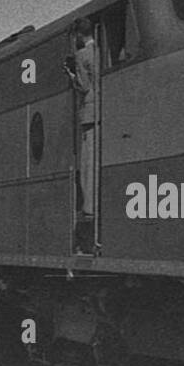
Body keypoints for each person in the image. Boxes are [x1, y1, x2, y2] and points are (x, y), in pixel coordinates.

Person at [68, 18, 99, 252]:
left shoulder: (81, 55)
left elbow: (83, 85)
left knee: (87, 169)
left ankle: (89, 212)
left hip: (89, 114)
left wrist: (71, 75)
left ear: (79, 35)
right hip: (103, 113)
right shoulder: (100, 50)